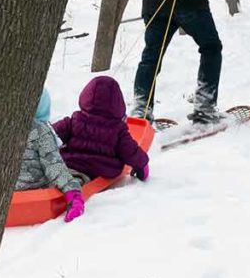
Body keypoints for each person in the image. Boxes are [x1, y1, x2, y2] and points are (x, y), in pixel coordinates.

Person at [53, 76, 150, 182]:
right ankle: (75, 180)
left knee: (61, 171)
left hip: (69, 163)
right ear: (117, 103)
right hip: (100, 169)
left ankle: (67, 180)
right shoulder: (118, 129)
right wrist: (142, 166)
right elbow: (130, 151)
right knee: (78, 177)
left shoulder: (74, 120)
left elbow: (51, 134)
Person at [15, 88, 85, 222]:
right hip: (35, 190)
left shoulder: (0, 128)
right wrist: (73, 193)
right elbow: (54, 166)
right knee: (76, 175)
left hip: (5, 190)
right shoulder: (40, 130)